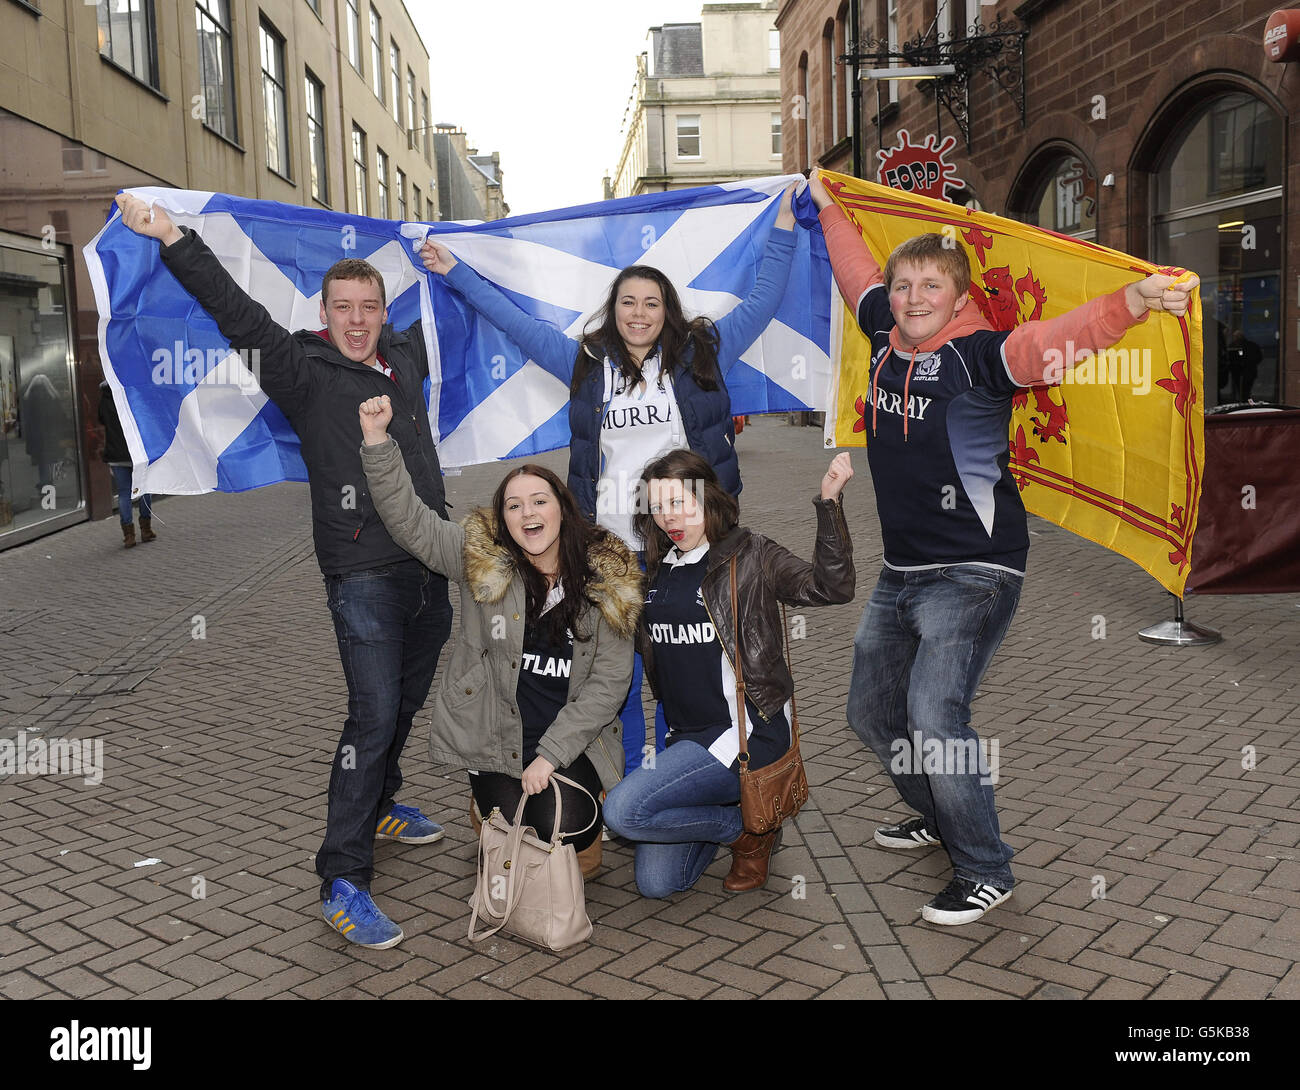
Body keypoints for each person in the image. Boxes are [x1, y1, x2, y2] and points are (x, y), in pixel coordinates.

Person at [808, 169, 1199, 925]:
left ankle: (986, 869)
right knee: (867, 713)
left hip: (976, 573)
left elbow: (1058, 342)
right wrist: (828, 206)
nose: (913, 297)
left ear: (959, 298)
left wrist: (1130, 302)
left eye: (931, 287)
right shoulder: (883, 341)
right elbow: (854, 265)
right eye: (904, 285)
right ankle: (938, 813)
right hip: (900, 574)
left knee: (933, 713)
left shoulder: (984, 357)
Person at [115, 193, 454, 951]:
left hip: (430, 565)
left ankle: (385, 804)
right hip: (363, 572)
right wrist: (174, 237)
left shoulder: (402, 356)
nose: (359, 319)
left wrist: (452, 267)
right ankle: (342, 876)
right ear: (326, 312)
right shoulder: (304, 373)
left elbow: (453, 322)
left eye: (370, 305)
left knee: (404, 705)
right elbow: (238, 314)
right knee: (371, 716)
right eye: (345, 307)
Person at [417, 185, 801, 774]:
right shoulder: (586, 366)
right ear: (613, 309)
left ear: (666, 310)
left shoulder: (703, 358)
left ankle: (690, 780)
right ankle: (622, 789)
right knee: (611, 680)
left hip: (687, 548)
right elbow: (515, 323)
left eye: (651, 303)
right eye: (628, 302)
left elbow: (765, 297)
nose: (639, 313)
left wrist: (782, 219)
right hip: (612, 553)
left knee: (691, 673)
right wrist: (456, 272)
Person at [357, 393, 639, 879]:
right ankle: (487, 805)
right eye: (513, 505)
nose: (527, 512)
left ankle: (544, 827)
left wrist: (551, 756)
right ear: (504, 520)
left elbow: (609, 685)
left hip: (568, 740)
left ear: (562, 510)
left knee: (569, 823)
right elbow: (410, 523)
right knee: (529, 831)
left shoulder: (607, 579)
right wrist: (378, 440)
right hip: (497, 739)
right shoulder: (481, 561)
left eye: (538, 501)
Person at [601, 448, 855, 897]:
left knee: (624, 812)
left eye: (679, 502)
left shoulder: (750, 555)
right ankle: (739, 824)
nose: (667, 517)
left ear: (709, 499)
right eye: (657, 507)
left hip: (745, 733)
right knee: (659, 883)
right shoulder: (659, 571)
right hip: (684, 737)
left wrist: (829, 504)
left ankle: (748, 832)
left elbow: (829, 587)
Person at [98, 380, 155, 547]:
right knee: (144, 489)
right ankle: (146, 529)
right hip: (136, 453)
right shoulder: (132, 394)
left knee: (124, 493)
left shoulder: (105, 398)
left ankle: (129, 535)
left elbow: (101, 420)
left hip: (115, 454)